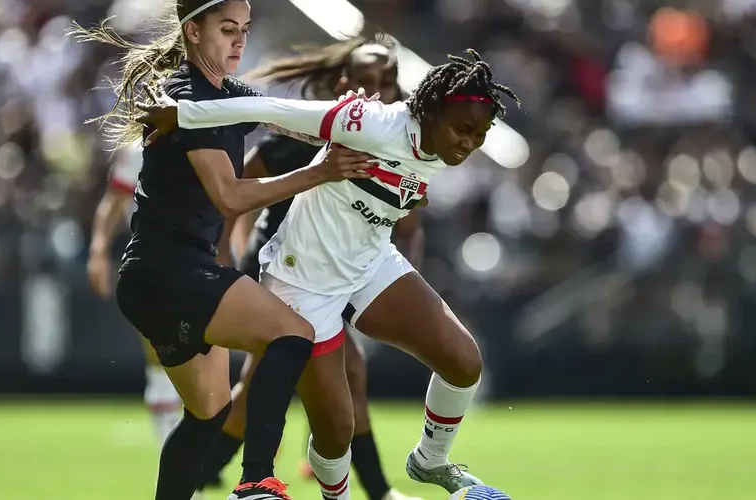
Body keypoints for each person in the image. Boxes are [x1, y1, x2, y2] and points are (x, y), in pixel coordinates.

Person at [136, 48, 520, 497]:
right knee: (337, 431)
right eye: (463, 130)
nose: (469, 143)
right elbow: (271, 109)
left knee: (464, 361)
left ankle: (430, 461)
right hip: (302, 281)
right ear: (431, 111)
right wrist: (184, 113)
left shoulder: (442, 148)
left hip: (370, 263)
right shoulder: (368, 122)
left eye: (479, 135)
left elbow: (399, 189)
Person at [69, 1, 377, 499]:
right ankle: (257, 480)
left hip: (154, 278)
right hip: (173, 272)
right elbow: (230, 196)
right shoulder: (186, 96)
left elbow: (287, 122)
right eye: (228, 29)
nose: (240, 41)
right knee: (292, 335)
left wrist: (349, 120)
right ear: (193, 32)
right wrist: (320, 172)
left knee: (208, 416)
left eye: (245, 30)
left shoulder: (224, 95)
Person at [198, 38, 425, 500]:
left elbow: (410, 225)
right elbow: (235, 195)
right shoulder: (300, 135)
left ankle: (208, 472)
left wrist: (402, 279)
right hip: (284, 271)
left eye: (388, 83)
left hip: (337, 277)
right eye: (367, 82)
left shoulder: (397, 144)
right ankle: (208, 475)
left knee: (324, 381)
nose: (378, 92)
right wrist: (232, 254)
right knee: (267, 389)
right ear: (344, 85)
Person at [86, 142, 183, 472]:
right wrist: (98, 250)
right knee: (161, 360)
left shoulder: (212, 132)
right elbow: (115, 201)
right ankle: (175, 465)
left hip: (203, 257)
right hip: (153, 262)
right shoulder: (139, 150)